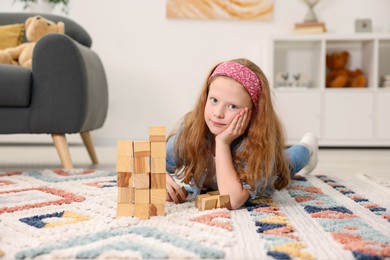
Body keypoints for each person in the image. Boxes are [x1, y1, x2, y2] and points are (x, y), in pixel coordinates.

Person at [165, 58, 318, 210]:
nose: (218, 113)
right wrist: (160, 177)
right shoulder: (191, 133)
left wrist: (222, 143)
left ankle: (308, 148)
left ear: (253, 113)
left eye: (232, 106)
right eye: (214, 100)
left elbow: (232, 200)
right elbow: (151, 163)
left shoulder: (257, 147)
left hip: (268, 170)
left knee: (287, 163)